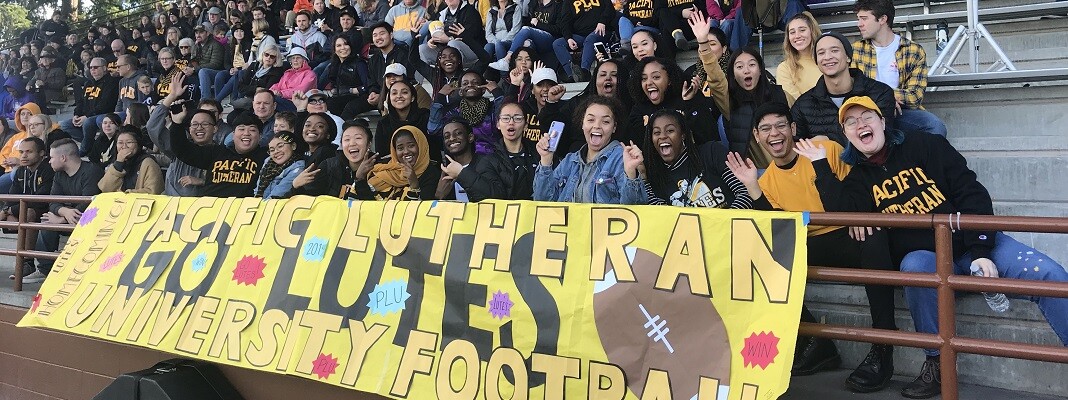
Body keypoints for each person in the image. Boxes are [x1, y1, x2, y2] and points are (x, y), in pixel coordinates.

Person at [802, 96, 1068, 399]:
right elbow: (841, 211)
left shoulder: (926, 145)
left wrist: (981, 250)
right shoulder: (858, 179)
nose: (860, 124)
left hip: (972, 243)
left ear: (883, 122)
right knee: (914, 268)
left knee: (1050, 275)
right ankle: (936, 362)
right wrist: (821, 165)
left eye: (867, 117)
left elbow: (972, 193)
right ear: (847, 135)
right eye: (851, 122)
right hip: (931, 258)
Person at [725, 101, 899, 393]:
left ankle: (883, 346)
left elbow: (857, 185)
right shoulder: (765, 181)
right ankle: (815, 342)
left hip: (847, 233)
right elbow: (779, 236)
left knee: (874, 236)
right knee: (759, 258)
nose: (775, 133)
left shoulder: (824, 149)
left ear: (793, 128)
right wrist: (752, 188)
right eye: (765, 129)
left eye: (781, 125)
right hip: (809, 243)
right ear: (757, 136)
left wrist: (858, 216)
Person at [852, 0, 948, 136]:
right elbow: (852, 89)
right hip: (866, 111)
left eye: (864, 19)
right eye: (858, 19)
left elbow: (915, 96)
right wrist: (886, 97)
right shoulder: (856, 50)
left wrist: (887, 98)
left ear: (882, 19)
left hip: (900, 112)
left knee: (935, 126)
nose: (859, 24)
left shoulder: (913, 51)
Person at [533, 96, 647, 204]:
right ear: (582, 123)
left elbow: (634, 210)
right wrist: (546, 161)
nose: (597, 126)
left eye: (605, 121)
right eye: (591, 120)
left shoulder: (621, 158)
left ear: (614, 127)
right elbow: (543, 204)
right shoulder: (569, 160)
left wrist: (631, 172)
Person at [791, 32, 896, 148]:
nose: (827, 57)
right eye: (821, 53)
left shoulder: (880, 93)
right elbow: (795, 147)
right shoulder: (803, 105)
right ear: (817, 61)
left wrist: (827, 140)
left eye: (834, 50)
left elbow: (884, 136)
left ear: (848, 57)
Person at [640, 109, 751, 208]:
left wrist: (725, 225)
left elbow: (745, 193)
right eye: (656, 133)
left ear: (683, 135)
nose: (662, 136)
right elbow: (662, 217)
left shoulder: (712, 152)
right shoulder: (657, 176)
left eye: (670, 130)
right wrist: (644, 179)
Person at [30, 138, 104, 284]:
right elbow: (52, 201)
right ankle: (44, 270)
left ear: (63, 158)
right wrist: (64, 212)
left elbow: (88, 202)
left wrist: (61, 218)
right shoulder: (59, 174)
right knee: (46, 222)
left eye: (51, 157)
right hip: (69, 218)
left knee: (56, 221)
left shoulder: (91, 171)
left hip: (92, 218)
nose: (49, 161)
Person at [170, 109, 269, 197]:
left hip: (242, 213)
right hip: (209, 210)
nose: (246, 133)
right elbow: (183, 150)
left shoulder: (266, 157)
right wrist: (176, 123)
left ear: (260, 136)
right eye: (241, 129)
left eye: (252, 130)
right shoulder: (216, 152)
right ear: (233, 134)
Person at [722, 48, 788, 167]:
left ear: (761, 70)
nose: (746, 70)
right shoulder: (729, 102)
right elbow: (717, 82)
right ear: (733, 74)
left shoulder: (780, 94)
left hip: (787, 166)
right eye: (739, 67)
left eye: (752, 64)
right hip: (753, 172)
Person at [1, 137, 54, 282]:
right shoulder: (20, 171)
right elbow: (11, 196)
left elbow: (41, 199)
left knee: (28, 213)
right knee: (16, 215)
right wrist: (8, 210)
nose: (23, 156)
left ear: (42, 153)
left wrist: (7, 211)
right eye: (21, 152)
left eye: (29, 152)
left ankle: (27, 262)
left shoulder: (49, 169)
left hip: (47, 212)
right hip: (23, 211)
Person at [292, 120, 378, 198]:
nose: (352, 143)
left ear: (369, 143)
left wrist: (360, 179)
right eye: (347, 139)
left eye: (358, 138)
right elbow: (309, 200)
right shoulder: (329, 166)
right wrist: (296, 186)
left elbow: (376, 208)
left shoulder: (380, 168)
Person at [431, 70, 503, 156]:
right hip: (462, 162)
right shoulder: (453, 113)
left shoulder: (493, 109)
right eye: (465, 83)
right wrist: (440, 96)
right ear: (460, 91)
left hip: (493, 161)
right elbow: (433, 129)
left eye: (475, 82)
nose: (470, 85)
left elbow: (506, 117)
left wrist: (497, 91)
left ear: (483, 89)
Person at [365, 126, 442, 200]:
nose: (406, 152)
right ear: (394, 151)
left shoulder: (432, 174)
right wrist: (359, 179)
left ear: (420, 146)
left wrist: (414, 184)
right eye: (400, 148)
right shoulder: (384, 168)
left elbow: (422, 210)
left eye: (411, 146)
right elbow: (366, 201)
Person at [488, 0, 562, 72]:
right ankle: (507, 77)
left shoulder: (558, 4)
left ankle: (507, 59)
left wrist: (539, 24)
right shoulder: (534, 3)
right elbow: (528, 21)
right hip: (533, 37)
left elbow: (558, 29)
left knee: (526, 29)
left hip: (550, 38)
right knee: (525, 44)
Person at [552, 0, 614, 82]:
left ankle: (584, 72)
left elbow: (610, 10)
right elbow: (565, 21)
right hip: (580, 35)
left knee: (590, 39)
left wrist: (603, 21)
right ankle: (573, 75)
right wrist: (568, 38)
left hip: (599, 31)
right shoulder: (568, 2)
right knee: (558, 43)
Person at [419, 0, 488, 70]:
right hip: (444, 50)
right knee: (422, 49)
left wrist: (449, 39)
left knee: (452, 44)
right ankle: (419, 80)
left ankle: (456, 77)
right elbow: (433, 31)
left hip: (471, 51)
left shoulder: (470, 12)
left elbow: (472, 36)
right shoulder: (442, 13)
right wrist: (431, 40)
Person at [98, 127, 164, 194]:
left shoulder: (148, 163)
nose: (124, 146)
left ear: (138, 144)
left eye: (129, 142)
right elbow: (105, 189)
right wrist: (118, 164)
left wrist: (129, 194)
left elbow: (153, 191)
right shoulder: (116, 163)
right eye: (120, 143)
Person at [777, 12, 822, 105]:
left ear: (812, 31)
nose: (797, 36)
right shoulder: (784, 68)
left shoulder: (826, 60)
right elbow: (795, 103)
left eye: (802, 30)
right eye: (792, 32)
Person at [375, 79, 430, 154]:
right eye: (394, 93)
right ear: (389, 98)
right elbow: (382, 154)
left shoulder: (425, 117)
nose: (399, 96)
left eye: (404, 92)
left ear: (412, 97)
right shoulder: (384, 123)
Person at [435, 118, 481, 200]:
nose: (451, 138)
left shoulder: (486, 164)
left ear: (470, 137)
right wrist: (439, 196)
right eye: (446, 136)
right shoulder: (444, 173)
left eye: (458, 133)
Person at [256, 130, 307, 199]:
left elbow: (277, 194)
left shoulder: (298, 167)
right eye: (272, 150)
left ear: (293, 146)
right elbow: (257, 191)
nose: (276, 151)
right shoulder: (268, 162)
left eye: (280, 146)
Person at [230, 45, 284, 110]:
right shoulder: (254, 65)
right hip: (246, 95)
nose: (268, 58)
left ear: (276, 59)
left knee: (238, 104)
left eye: (272, 57)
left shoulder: (276, 72)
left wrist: (251, 90)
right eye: (266, 55)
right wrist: (255, 89)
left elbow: (266, 91)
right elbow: (240, 86)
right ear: (263, 55)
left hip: (259, 100)